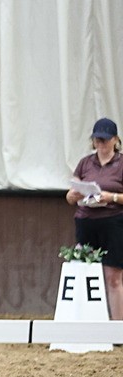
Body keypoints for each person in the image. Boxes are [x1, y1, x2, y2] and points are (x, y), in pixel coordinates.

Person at [66, 117, 123, 320]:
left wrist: (111, 197)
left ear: (115, 140)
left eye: (105, 140)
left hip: (113, 221)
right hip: (86, 220)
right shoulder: (85, 163)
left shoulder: (121, 163)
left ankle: (118, 327)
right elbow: (70, 195)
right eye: (98, 140)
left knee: (113, 276)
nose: (101, 144)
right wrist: (73, 195)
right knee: (84, 272)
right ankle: (85, 322)